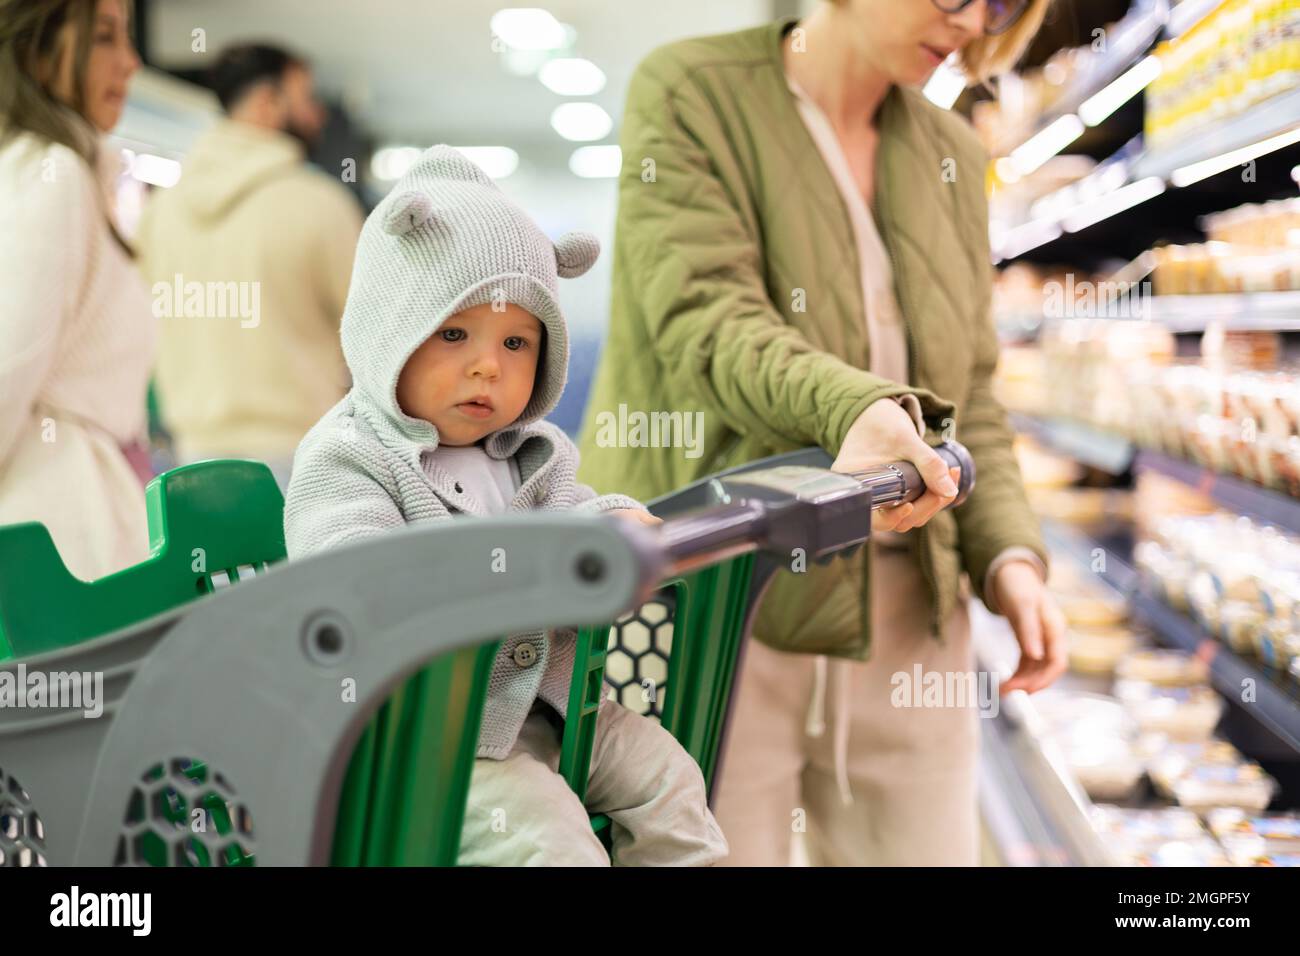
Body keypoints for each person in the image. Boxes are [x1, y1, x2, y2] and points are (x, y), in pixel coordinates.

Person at [577, 0, 1066, 865]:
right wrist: (854, 411)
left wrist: (1011, 557)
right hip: (723, 601)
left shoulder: (950, 151)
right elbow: (709, 324)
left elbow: (972, 390)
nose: (972, 20)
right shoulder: (693, 94)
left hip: (913, 614)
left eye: (1002, 3)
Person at [283, 146, 728, 867]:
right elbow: (345, 577)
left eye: (517, 341)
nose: (489, 365)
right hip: (421, 739)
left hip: (547, 709)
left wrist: (614, 525)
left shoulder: (530, 453)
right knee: (552, 844)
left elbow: (576, 513)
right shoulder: (351, 455)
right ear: (387, 328)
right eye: (454, 334)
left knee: (673, 783)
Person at [136, 42, 361, 488]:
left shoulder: (160, 211)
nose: (318, 115)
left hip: (190, 462)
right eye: (306, 98)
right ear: (266, 101)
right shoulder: (319, 203)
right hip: (302, 457)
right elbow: (370, 334)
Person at [0, 0, 155, 581]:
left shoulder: (66, 172)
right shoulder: (51, 174)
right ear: (38, 52)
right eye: (104, 38)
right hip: (59, 533)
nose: (131, 63)